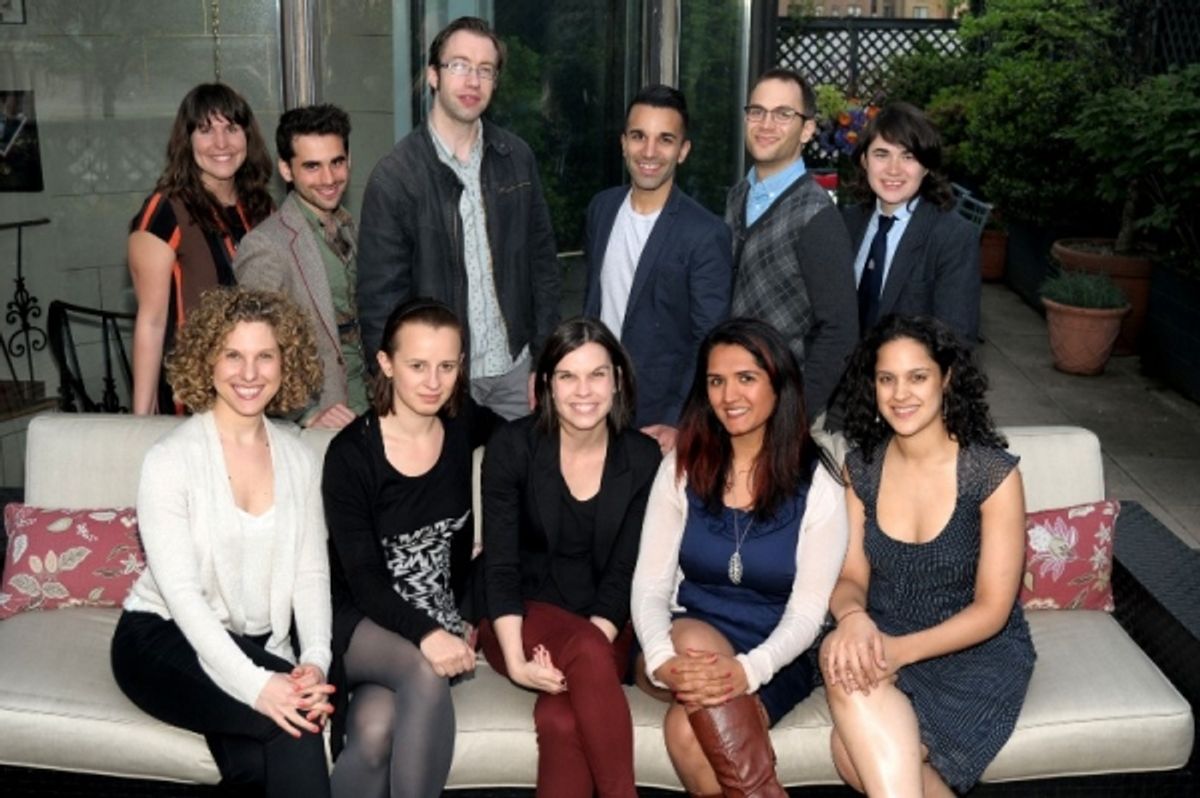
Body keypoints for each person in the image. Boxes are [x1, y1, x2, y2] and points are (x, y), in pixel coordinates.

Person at [110, 287, 333, 798]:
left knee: (264, 763)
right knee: (297, 719)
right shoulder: (171, 460)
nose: (249, 374)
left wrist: (315, 659)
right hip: (162, 639)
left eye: (264, 356)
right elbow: (184, 600)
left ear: (286, 362)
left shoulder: (299, 460)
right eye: (233, 355)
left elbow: (310, 574)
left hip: (250, 642)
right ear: (207, 360)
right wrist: (259, 686)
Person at [631, 317, 849, 797]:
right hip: (687, 634)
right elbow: (649, 586)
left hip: (778, 651)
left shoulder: (819, 482)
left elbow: (809, 612)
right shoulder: (682, 466)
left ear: (779, 384)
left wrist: (750, 670)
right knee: (691, 642)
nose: (729, 395)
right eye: (716, 381)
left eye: (746, 378)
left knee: (685, 733)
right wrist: (662, 660)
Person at [821, 314, 1034, 796]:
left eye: (918, 377)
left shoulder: (990, 474)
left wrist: (898, 651)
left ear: (947, 379)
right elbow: (851, 575)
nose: (901, 395)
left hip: (972, 652)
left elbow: (992, 610)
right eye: (886, 379)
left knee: (848, 752)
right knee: (842, 668)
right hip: (883, 634)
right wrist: (852, 617)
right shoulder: (863, 469)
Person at [321, 298, 501, 798]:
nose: (432, 382)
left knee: (376, 732)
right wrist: (430, 635)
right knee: (423, 671)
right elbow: (364, 580)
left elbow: (524, 438)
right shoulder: (351, 455)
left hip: (432, 620)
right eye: (417, 366)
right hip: (360, 619)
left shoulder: (463, 424)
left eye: (447, 366)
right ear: (385, 363)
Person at [478, 317, 661, 798]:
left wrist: (591, 647)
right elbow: (500, 566)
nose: (584, 390)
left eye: (597, 374)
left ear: (617, 381)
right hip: (519, 619)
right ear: (544, 386)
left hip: (602, 624)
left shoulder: (642, 459)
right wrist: (517, 661)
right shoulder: (512, 448)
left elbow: (625, 572)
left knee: (561, 720)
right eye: (567, 376)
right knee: (582, 653)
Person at [356, 16, 560, 420]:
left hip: (517, 377)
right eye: (460, 65)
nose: (473, 81)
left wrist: (545, 359)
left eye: (485, 70)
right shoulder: (396, 177)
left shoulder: (516, 159)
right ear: (433, 76)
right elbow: (380, 301)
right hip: (439, 383)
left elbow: (543, 267)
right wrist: (398, 386)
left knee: (523, 483)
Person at [583, 84, 731, 453]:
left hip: (658, 421)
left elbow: (708, 339)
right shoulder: (601, 209)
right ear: (623, 143)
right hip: (593, 404)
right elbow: (595, 303)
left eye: (665, 140)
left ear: (683, 151)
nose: (649, 152)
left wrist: (677, 419)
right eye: (638, 136)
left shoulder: (705, 233)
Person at [129, 83, 274, 415]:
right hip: (193, 399)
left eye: (231, 129)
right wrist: (140, 421)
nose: (221, 143)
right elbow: (151, 324)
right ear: (187, 141)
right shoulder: (165, 210)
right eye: (206, 131)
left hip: (256, 389)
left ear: (247, 137)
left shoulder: (262, 208)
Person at [726, 68, 858, 425]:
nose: (766, 124)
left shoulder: (816, 216)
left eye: (784, 114)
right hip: (736, 400)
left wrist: (796, 415)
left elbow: (840, 331)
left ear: (807, 129)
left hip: (786, 409)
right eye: (757, 111)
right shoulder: (739, 196)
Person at [235, 104, 368, 429]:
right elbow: (251, 351)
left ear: (348, 160)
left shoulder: (352, 228)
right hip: (323, 419)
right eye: (312, 166)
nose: (328, 179)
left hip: (372, 407)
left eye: (337, 162)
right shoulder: (266, 245)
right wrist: (306, 414)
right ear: (286, 169)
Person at [842, 103, 981, 345]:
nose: (893, 170)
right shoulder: (846, 223)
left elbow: (956, 339)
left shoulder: (953, 237)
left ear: (926, 166)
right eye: (882, 154)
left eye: (908, 156)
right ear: (864, 160)